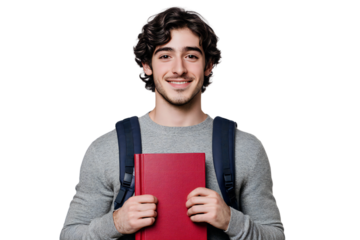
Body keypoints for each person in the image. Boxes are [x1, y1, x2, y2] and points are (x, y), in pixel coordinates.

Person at [59, 4, 285, 240]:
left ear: (208, 65)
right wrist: (115, 222)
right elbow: (70, 235)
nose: (179, 69)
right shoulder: (105, 148)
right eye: (165, 56)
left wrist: (231, 220)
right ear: (147, 65)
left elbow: (275, 235)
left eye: (191, 56)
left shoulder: (246, 147)